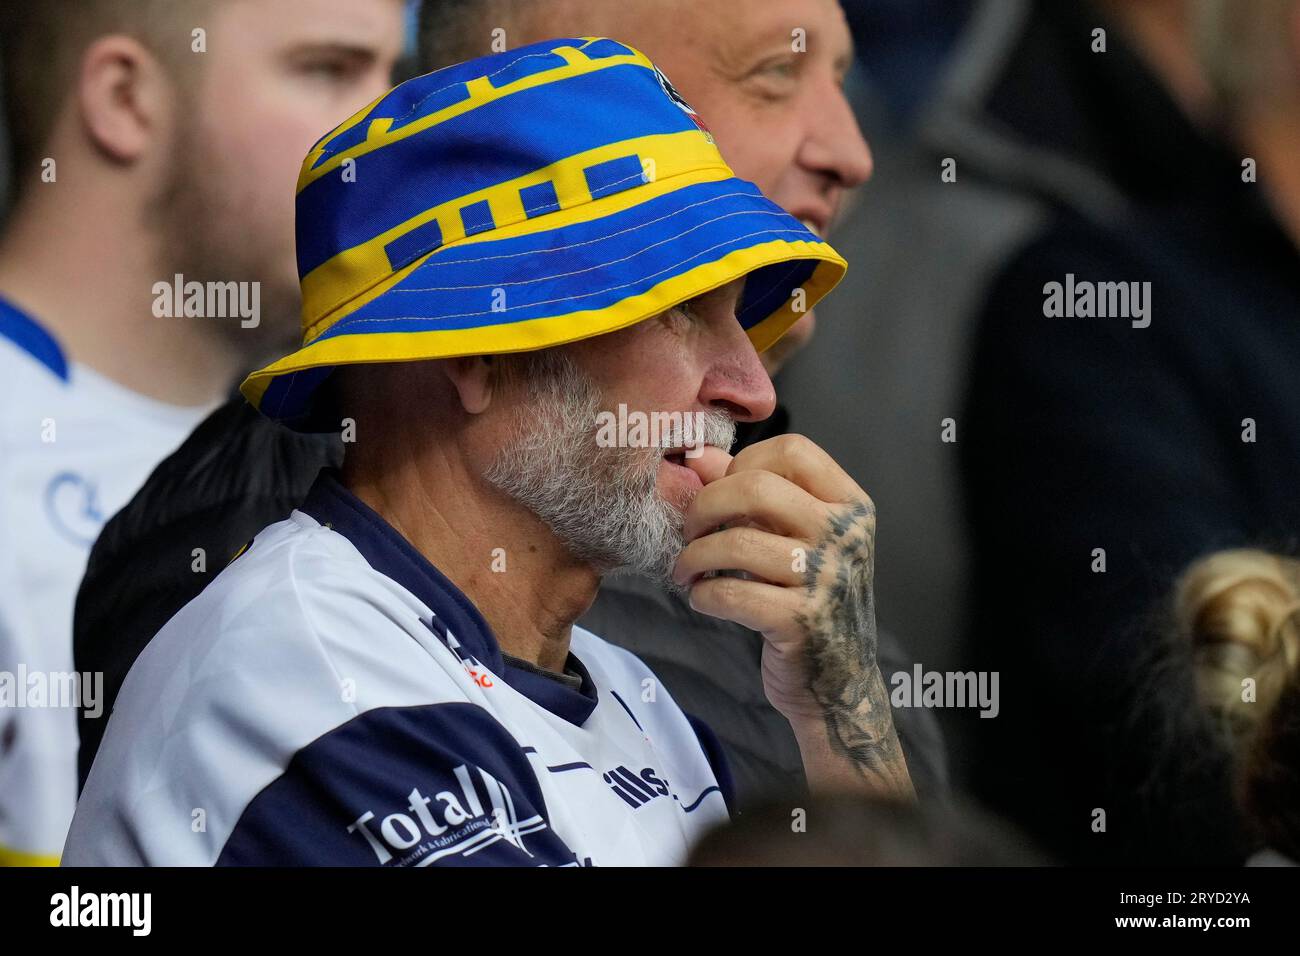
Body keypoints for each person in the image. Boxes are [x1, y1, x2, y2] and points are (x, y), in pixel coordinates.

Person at [73, 0, 950, 807]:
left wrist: (842, 713)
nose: (754, 389)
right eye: (772, 74)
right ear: (476, 345)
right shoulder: (289, 643)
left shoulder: (628, 691)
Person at [0, 0, 405, 865]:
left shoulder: (385, 446)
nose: (388, 130)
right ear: (123, 98)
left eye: (394, 78)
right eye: (328, 70)